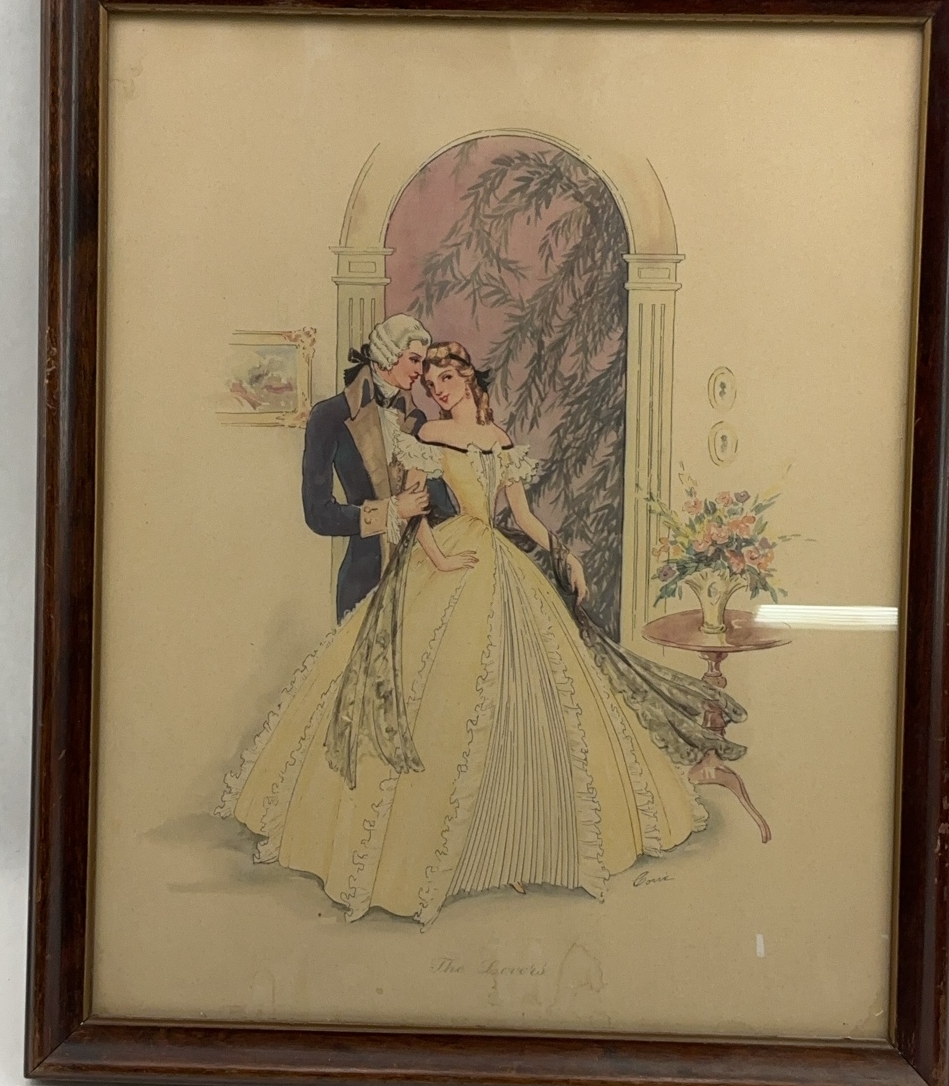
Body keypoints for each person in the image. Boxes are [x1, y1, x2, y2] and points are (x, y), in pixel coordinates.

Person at [219, 341, 747, 924]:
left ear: (469, 378)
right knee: (445, 691)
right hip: (449, 557)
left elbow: (522, 518)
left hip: (498, 560)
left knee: (519, 694)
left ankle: (518, 845)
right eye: (431, 382)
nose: (437, 389)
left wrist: (565, 554)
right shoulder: (431, 436)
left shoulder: (499, 440)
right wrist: (440, 561)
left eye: (446, 378)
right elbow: (416, 510)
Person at [301, 312, 455, 621]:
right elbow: (318, 514)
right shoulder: (330, 416)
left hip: (420, 582)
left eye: (422, 362)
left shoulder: (417, 421)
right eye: (414, 360)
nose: (420, 371)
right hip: (363, 582)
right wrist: (391, 511)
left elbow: (441, 509)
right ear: (388, 355)